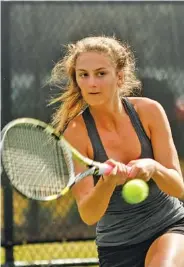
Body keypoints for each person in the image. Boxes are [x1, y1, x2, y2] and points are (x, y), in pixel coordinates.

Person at [50, 36, 184, 267]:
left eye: (101, 73)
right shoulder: (74, 134)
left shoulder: (149, 111)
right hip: (117, 246)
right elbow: (89, 214)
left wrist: (153, 168)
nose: (92, 83)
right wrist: (107, 182)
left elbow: (177, 186)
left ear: (119, 77)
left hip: (168, 225)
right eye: (84, 75)